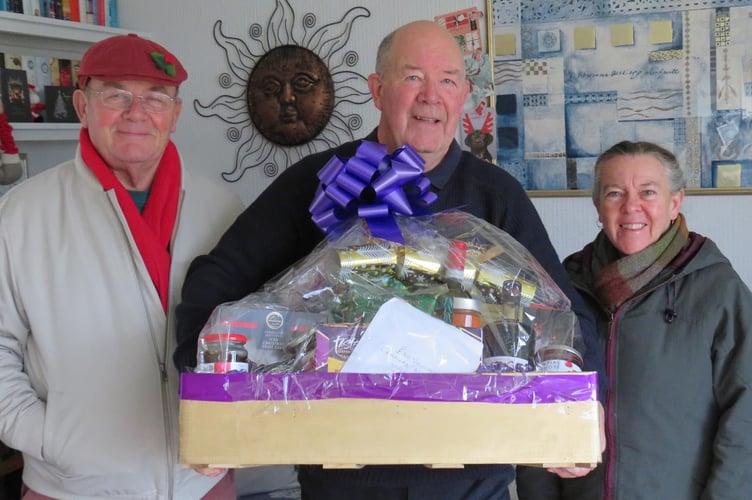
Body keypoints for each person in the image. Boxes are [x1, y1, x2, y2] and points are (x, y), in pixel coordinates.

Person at [175, 20, 603, 500]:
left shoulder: (496, 196)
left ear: (463, 95)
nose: (431, 95)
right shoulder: (321, 183)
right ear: (377, 89)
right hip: (343, 473)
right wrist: (205, 392)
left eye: (446, 80)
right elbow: (218, 279)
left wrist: (586, 409)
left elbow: (563, 315)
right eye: (412, 76)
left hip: (471, 477)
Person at [0, 34, 244, 499]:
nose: (137, 112)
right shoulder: (21, 215)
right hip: (72, 487)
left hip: (201, 483)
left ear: (175, 114)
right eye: (115, 95)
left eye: (155, 98)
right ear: (81, 105)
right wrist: (47, 438)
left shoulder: (224, 209)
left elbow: (252, 330)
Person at [517, 140, 752, 499]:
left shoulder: (718, 289)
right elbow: (536, 402)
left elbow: (745, 419)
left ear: (675, 203)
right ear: (597, 205)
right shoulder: (565, 287)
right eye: (614, 193)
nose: (631, 207)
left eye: (648, 192)